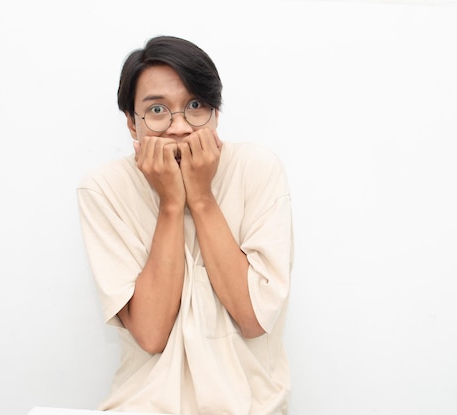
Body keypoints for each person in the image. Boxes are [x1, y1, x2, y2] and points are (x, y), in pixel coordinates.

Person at [77, 35, 294, 415]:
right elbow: (150, 333)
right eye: (157, 110)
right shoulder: (103, 190)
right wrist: (171, 205)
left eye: (195, 106)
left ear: (215, 114)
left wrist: (202, 197)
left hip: (251, 406)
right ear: (132, 124)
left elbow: (253, 318)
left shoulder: (257, 169)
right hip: (141, 406)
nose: (179, 127)